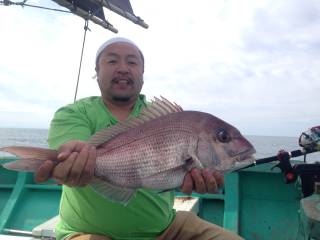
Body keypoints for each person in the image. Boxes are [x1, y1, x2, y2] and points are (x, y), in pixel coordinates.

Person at [35, 37, 244, 240]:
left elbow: (171, 177)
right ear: (97, 71)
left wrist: (195, 180)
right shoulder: (74, 113)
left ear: (142, 73)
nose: (123, 68)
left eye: (132, 62)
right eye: (112, 60)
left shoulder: (165, 117)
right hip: (86, 232)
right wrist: (69, 161)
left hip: (168, 228)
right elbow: (70, 152)